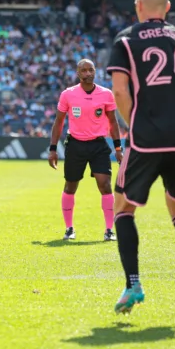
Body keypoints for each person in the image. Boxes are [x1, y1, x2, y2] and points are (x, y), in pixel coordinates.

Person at [107, 0, 175, 315]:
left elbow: (120, 92)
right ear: (167, 8)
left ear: (137, 7)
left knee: (123, 206)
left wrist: (135, 123)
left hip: (147, 135)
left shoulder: (126, 40)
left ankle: (133, 285)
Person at [48, 59, 123, 242]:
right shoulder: (68, 94)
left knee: (104, 185)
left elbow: (113, 122)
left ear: (95, 72)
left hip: (98, 145)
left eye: (91, 70)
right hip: (75, 145)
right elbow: (58, 122)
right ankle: (69, 228)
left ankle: (109, 230)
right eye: (84, 70)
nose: (88, 73)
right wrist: (52, 149)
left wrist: (118, 147)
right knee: (70, 186)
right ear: (78, 73)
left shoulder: (106, 94)